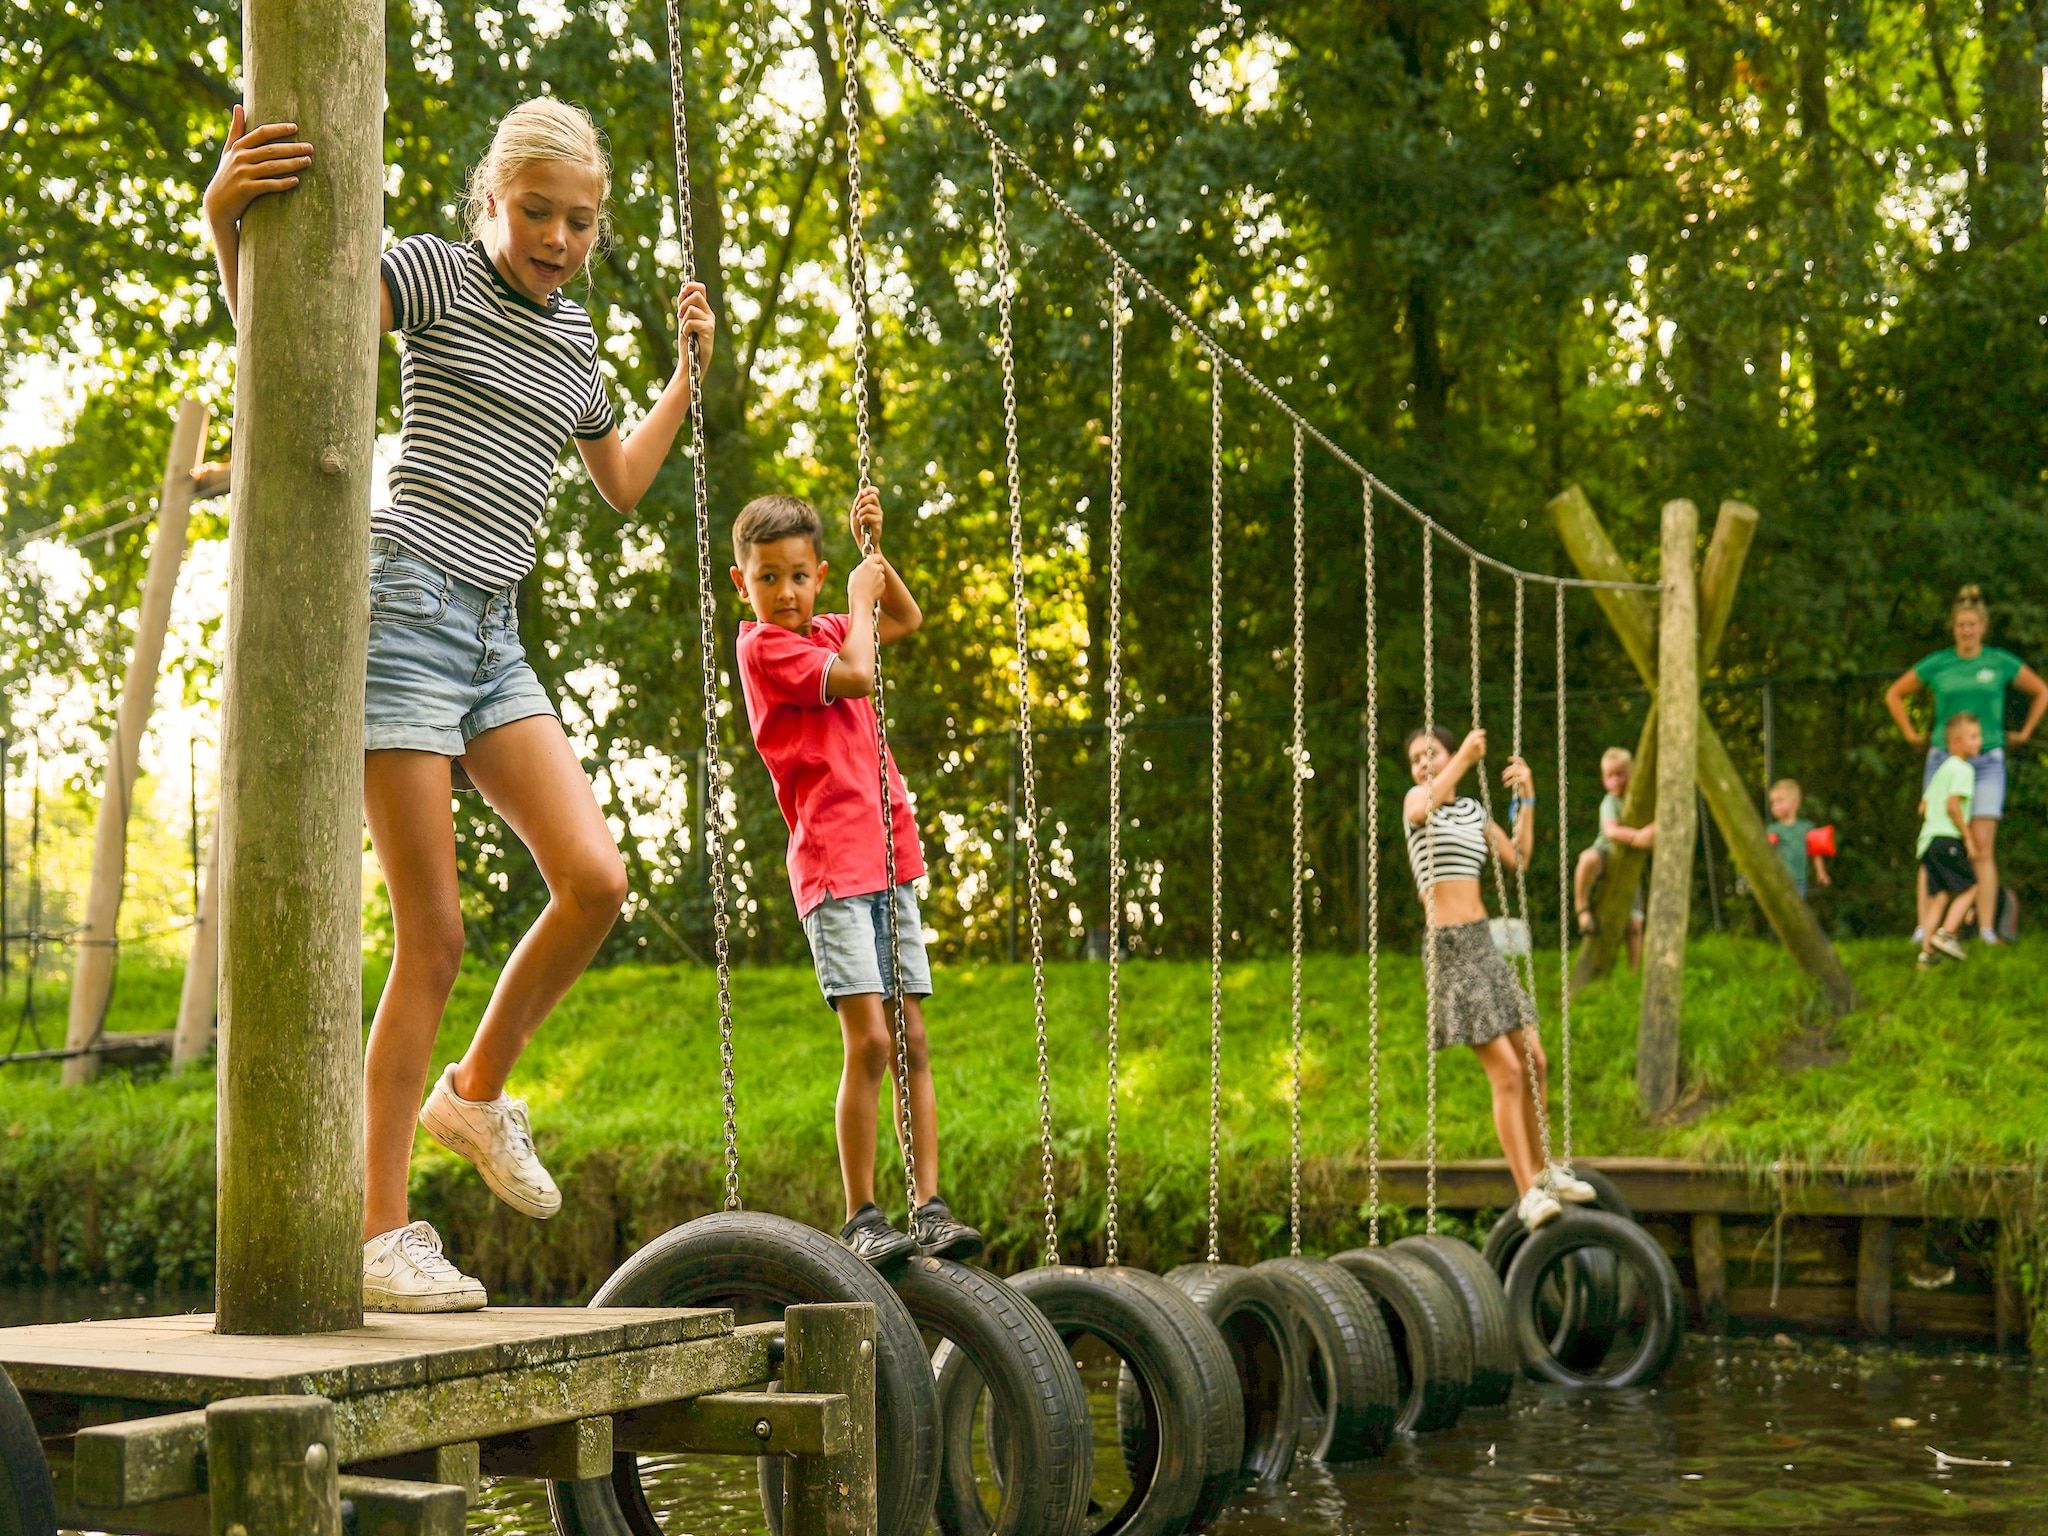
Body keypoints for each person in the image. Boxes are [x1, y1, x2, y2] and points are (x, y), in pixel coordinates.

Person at [205, 98, 719, 1311]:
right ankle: (378, 1234)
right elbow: (290, 344)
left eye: (579, 221)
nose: (557, 238)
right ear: (489, 201)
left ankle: (474, 1098)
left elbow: (621, 481)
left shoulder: (575, 335)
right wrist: (225, 220)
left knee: (595, 881)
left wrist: (685, 378)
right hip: (405, 607)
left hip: (495, 634)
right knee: (432, 935)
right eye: (535, 211)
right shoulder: (434, 274)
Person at [730, 489, 983, 1269]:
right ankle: (862, 1215)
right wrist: (855, 597)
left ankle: (929, 1206)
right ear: (743, 584)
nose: (786, 592)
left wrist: (875, 554)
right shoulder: (765, 649)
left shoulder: (835, 626)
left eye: (799, 575)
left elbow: (905, 618)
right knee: (870, 1040)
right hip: (833, 866)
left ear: (817, 572)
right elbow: (860, 674)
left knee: (911, 1038)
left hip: (891, 856)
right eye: (768, 578)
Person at [1404, 724, 1591, 1230]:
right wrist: (1464, 758)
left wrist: (1526, 798)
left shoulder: (1472, 812)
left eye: (1431, 753)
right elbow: (1421, 811)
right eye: (1417, 758)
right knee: (1506, 1072)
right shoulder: (1417, 803)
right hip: (1449, 950)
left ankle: (1547, 1171)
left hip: (1483, 945)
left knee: (1534, 1060)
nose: (1423, 764)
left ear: (1447, 754)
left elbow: (1518, 859)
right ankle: (1527, 1191)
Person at [1885, 586, 2048, 945]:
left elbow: (2041, 691)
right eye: (1961, 625)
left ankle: (1987, 929)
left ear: (1983, 627)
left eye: (1972, 624)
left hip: (1987, 762)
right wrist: (1911, 734)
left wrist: (2024, 732)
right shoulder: (1939, 663)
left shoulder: (1999, 662)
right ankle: (1925, 928)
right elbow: (1895, 693)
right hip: (1943, 761)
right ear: (1954, 628)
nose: (1967, 630)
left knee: (1982, 845)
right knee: (1936, 843)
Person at [1571, 745, 1655, 968]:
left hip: (1629, 865)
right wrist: (1637, 837)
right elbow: (1611, 831)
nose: (1616, 780)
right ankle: (1582, 908)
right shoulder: (1610, 802)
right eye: (1610, 775)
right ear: (1603, 780)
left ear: (1632, 773)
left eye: (1620, 774)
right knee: (1587, 859)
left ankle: (1633, 973)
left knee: (1634, 925)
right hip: (1606, 854)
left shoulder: (1640, 801)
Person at [1917, 713, 1982, 967]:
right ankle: (1947, 934)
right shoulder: (1963, 769)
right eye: (1973, 737)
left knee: (1940, 895)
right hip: (1947, 838)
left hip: (1928, 841)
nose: (1979, 742)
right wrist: (1968, 838)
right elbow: (1953, 805)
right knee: (1970, 887)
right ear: (1956, 742)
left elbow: (1923, 806)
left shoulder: (1942, 770)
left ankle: (1927, 954)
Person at [1765, 779, 1830, 901]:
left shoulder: (1806, 827)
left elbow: (1816, 852)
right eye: (1773, 802)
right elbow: (1768, 853)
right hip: (1780, 878)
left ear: (1795, 803)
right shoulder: (1773, 829)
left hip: (1800, 879)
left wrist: (1821, 872)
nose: (1775, 806)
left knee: (1797, 906)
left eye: (1780, 801)